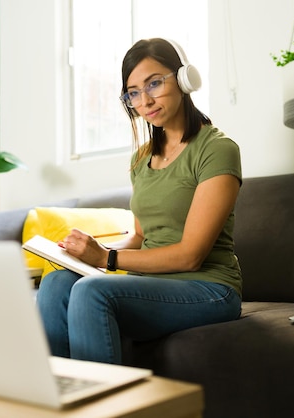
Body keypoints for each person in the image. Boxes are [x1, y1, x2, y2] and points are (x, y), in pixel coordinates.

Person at [36, 38, 243, 365]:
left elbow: (190, 256)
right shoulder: (142, 159)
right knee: (56, 282)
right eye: (133, 92)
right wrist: (83, 252)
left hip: (209, 289)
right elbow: (140, 237)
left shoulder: (216, 149)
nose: (144, 100)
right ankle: (61, 400)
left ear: (184, 78)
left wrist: (105, 259)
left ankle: (106, 409)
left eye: (154, 83)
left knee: (93, 292)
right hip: (150, 287)